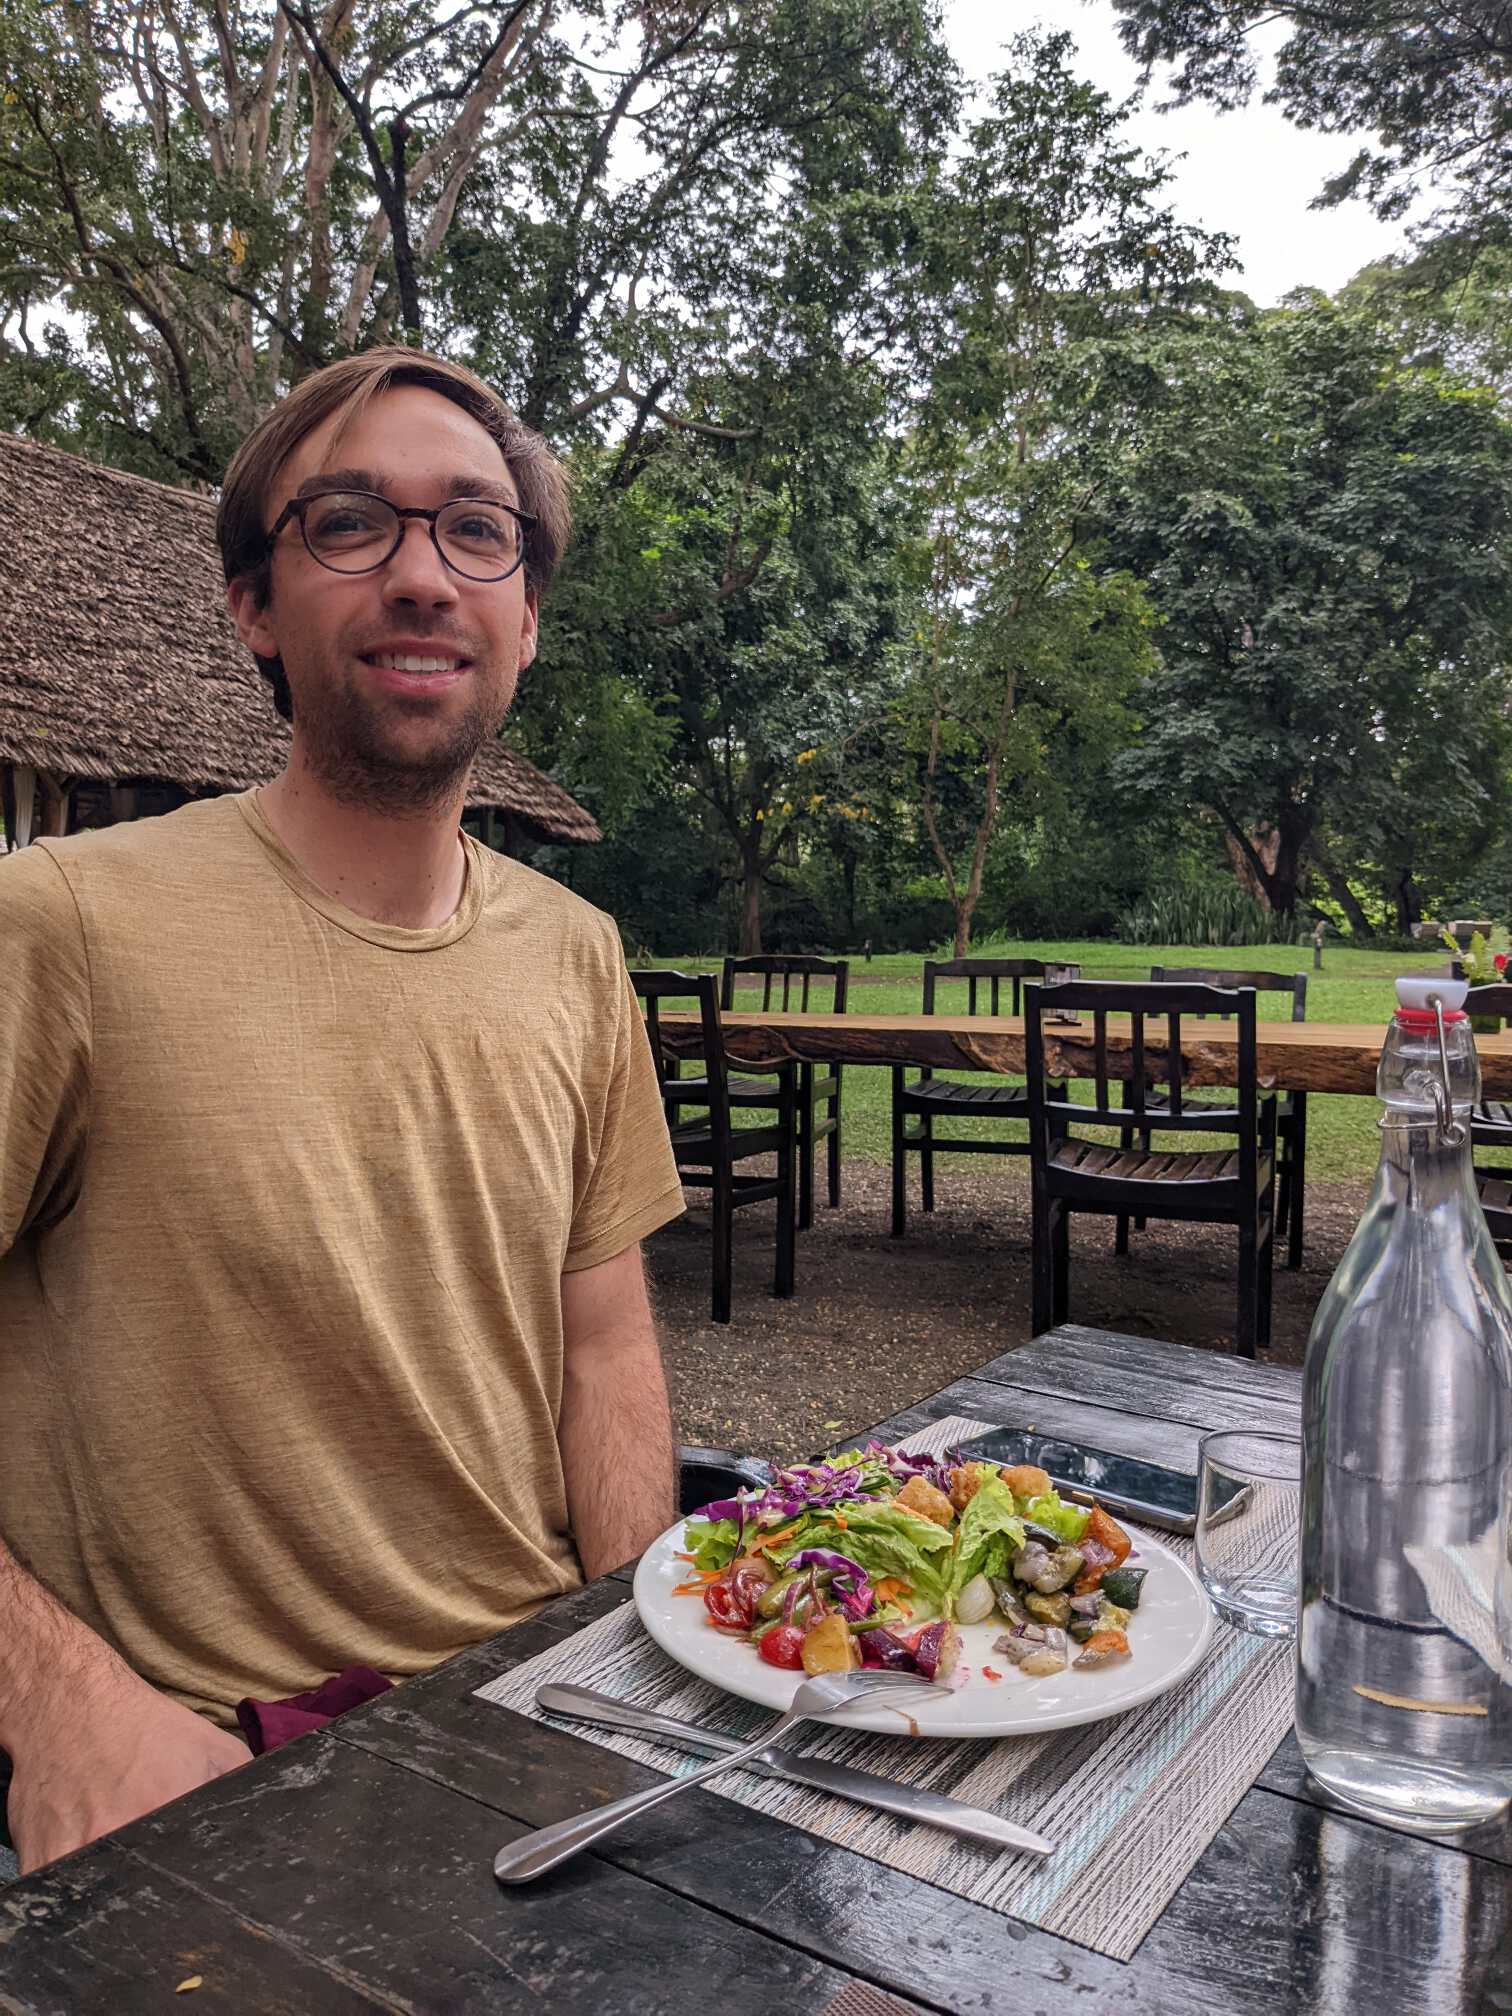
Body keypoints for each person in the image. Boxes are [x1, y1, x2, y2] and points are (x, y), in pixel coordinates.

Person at [0, 349, 685, 1876]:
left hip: (540, 1709)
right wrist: (61, 1713)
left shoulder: (577, 953)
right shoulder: (63, 924)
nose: (423, 574)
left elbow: (606, 1346)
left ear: (523, 615)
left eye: (474, 530)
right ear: (254, 602)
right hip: (212, 1755)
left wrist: (643, 1672)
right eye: (352, 523)